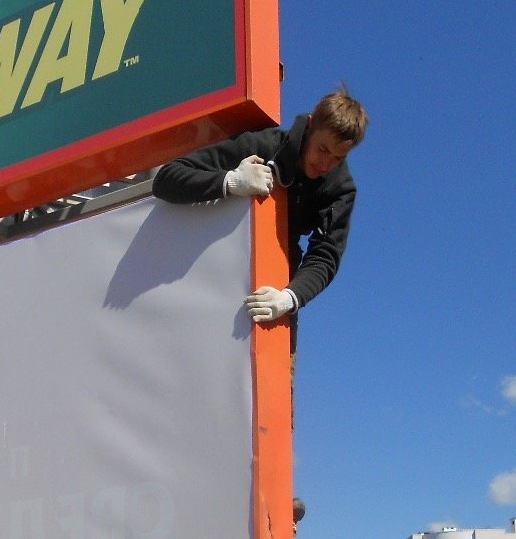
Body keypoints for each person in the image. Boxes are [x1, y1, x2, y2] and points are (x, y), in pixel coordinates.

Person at [152, 88, 367, 348]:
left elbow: (326, 254)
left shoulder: (340, 188)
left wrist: (289, 298)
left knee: (277, 380)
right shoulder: (263, 145)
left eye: (338, 157)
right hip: (209, 277)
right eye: (322, 149)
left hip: (273, 292)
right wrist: (230, 181)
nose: (325, 164)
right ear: (310, 126)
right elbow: (167, 179)